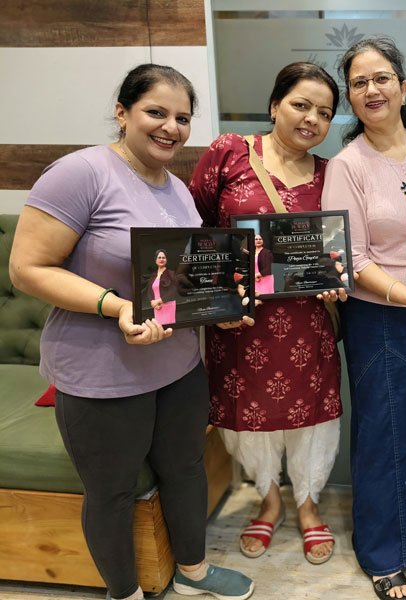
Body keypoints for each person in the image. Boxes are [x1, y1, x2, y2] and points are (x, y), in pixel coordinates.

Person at [8, 64, 254, 600]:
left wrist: (216, 309)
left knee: (185, 469)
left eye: (182, 118)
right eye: (156, 112)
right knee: (112, 492)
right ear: (122, 112)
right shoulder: (80, 173)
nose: (171, 128)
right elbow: (27, 269)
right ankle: (125, 593)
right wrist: (115, 305)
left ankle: (193, 571)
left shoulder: (178, 189)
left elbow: (179, 281)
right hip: (100, 372)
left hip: (178, 365)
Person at [320, 37, 406, 600]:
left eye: (381, 78)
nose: (371, 90)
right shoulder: (347, 165)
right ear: (351, 98)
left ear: (403, 87)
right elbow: (348, 258)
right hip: (380, 314)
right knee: (386, 430)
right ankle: (384, 553)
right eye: (359, 82)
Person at [189, 62, 343, 566]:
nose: (312, 119)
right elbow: (193, 231)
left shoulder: (331, 173)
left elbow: (339, 246)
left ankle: (307, 504)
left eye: (325, 113)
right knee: (248, 421)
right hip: (240, 325)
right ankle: (269, 500)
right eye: (301, 105)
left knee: (310, 419)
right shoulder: (230, 152)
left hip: (307, 323)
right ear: (275, 105)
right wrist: (216, 299)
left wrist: (336, 275)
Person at [147, 249, 179, 325]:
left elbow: (174, 291)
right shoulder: (153, 275)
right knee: (159, 327)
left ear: (166, 260)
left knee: (167, 328)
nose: (161, 259)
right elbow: (149, 291)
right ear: (156, 260)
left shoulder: (171, 273)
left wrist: (158, 301)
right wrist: (152, 302)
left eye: (163, 257)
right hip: (157, 307)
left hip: (168, 306)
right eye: (159, 257)